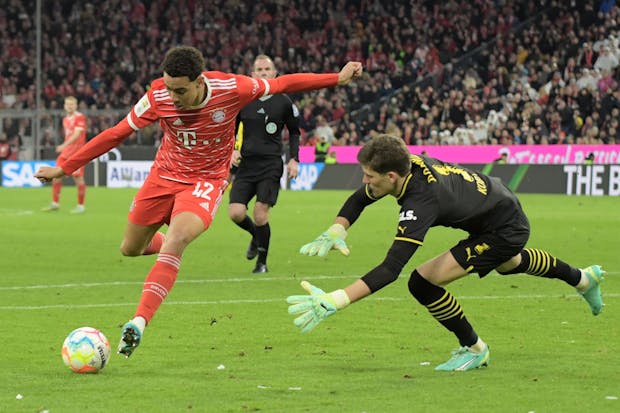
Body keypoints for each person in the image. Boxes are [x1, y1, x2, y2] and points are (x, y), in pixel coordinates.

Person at [35, 46, 363, 358]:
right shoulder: (157, 97)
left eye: (180, 91)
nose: (173, 97)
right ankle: (161, 249)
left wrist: (337, 77)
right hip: (163, 176)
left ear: (199, 81)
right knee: (130, 248)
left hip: (205, 182)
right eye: (168, 88)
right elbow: (115, 133)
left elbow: (283, 83)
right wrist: (65, 167)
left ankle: (138, 321)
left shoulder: (232, 88)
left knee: (177, 238)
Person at [287, 134, 605, 372]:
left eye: (369, 175)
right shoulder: (405, 165)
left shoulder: (420, 201)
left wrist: (337, 299)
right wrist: (337, 230)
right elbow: (360, 198)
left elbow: (390, 268)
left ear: (392, 177)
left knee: (421, 282)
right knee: (510, 263)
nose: (365, 180)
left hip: (502, 226)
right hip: (496, 202)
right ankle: (583, 279)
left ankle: (474, 347)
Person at [228, 55, 301, 274]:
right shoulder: (243, 100)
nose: (262, 72)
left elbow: (295, 132)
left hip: (270, 164)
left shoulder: (284, 101)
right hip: (247, 164)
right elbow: (230, 129)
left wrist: (294, 159)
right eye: (258, 69)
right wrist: (231, 149)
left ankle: (262, 262)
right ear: (252, 75)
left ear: (274, 73)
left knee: (260, 214)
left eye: (267, 69)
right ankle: (255, 235)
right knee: (236, 213)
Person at [41, 96, 88, 213]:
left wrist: (63, 145)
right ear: (64, 106)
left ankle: (81, 206)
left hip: (77, 153)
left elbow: (77, 134)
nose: (69, 106)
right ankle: (55, 203)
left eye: (72, 104)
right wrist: (65, 147)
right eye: (67, 104)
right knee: (56, 176)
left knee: (78, 179)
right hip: (66, 153)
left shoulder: (80, 117)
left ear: (76, 105)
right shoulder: (65, 119)